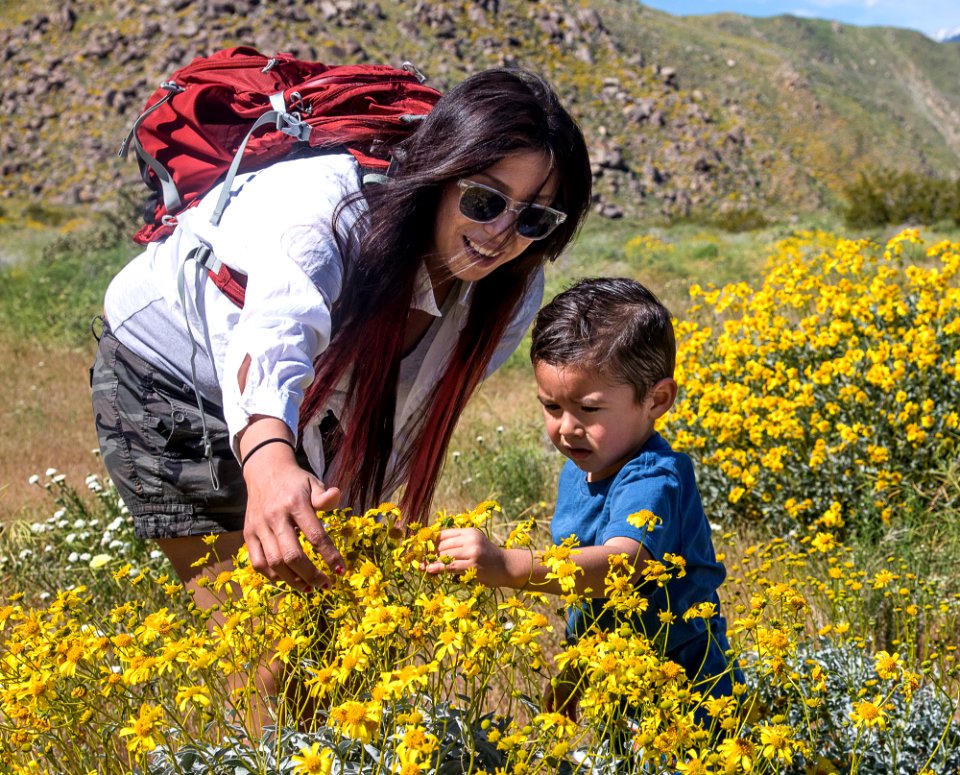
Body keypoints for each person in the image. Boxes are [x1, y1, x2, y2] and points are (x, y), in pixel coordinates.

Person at [90, 67, 592, 723]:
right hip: (168, 379)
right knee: (272, 652)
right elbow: (274, 337)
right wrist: (271, 465)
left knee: (337, 628)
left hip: (292, 398)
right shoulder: (329, 210)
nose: (502, 232)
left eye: (534, 217)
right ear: (441, 173)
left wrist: (370, 546)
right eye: (484, 200)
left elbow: (397, 413)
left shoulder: (513, 287)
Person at [424, 277, 738, 728]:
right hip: (619, 684)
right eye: (552, 407)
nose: (567, 428)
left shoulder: (653, 477)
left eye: (588, 410)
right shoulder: (582, 466)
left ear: (657, 399)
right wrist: (575, 670)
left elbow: (617, 569)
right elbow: (589, 601)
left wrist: (505, 566)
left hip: (690, 696)